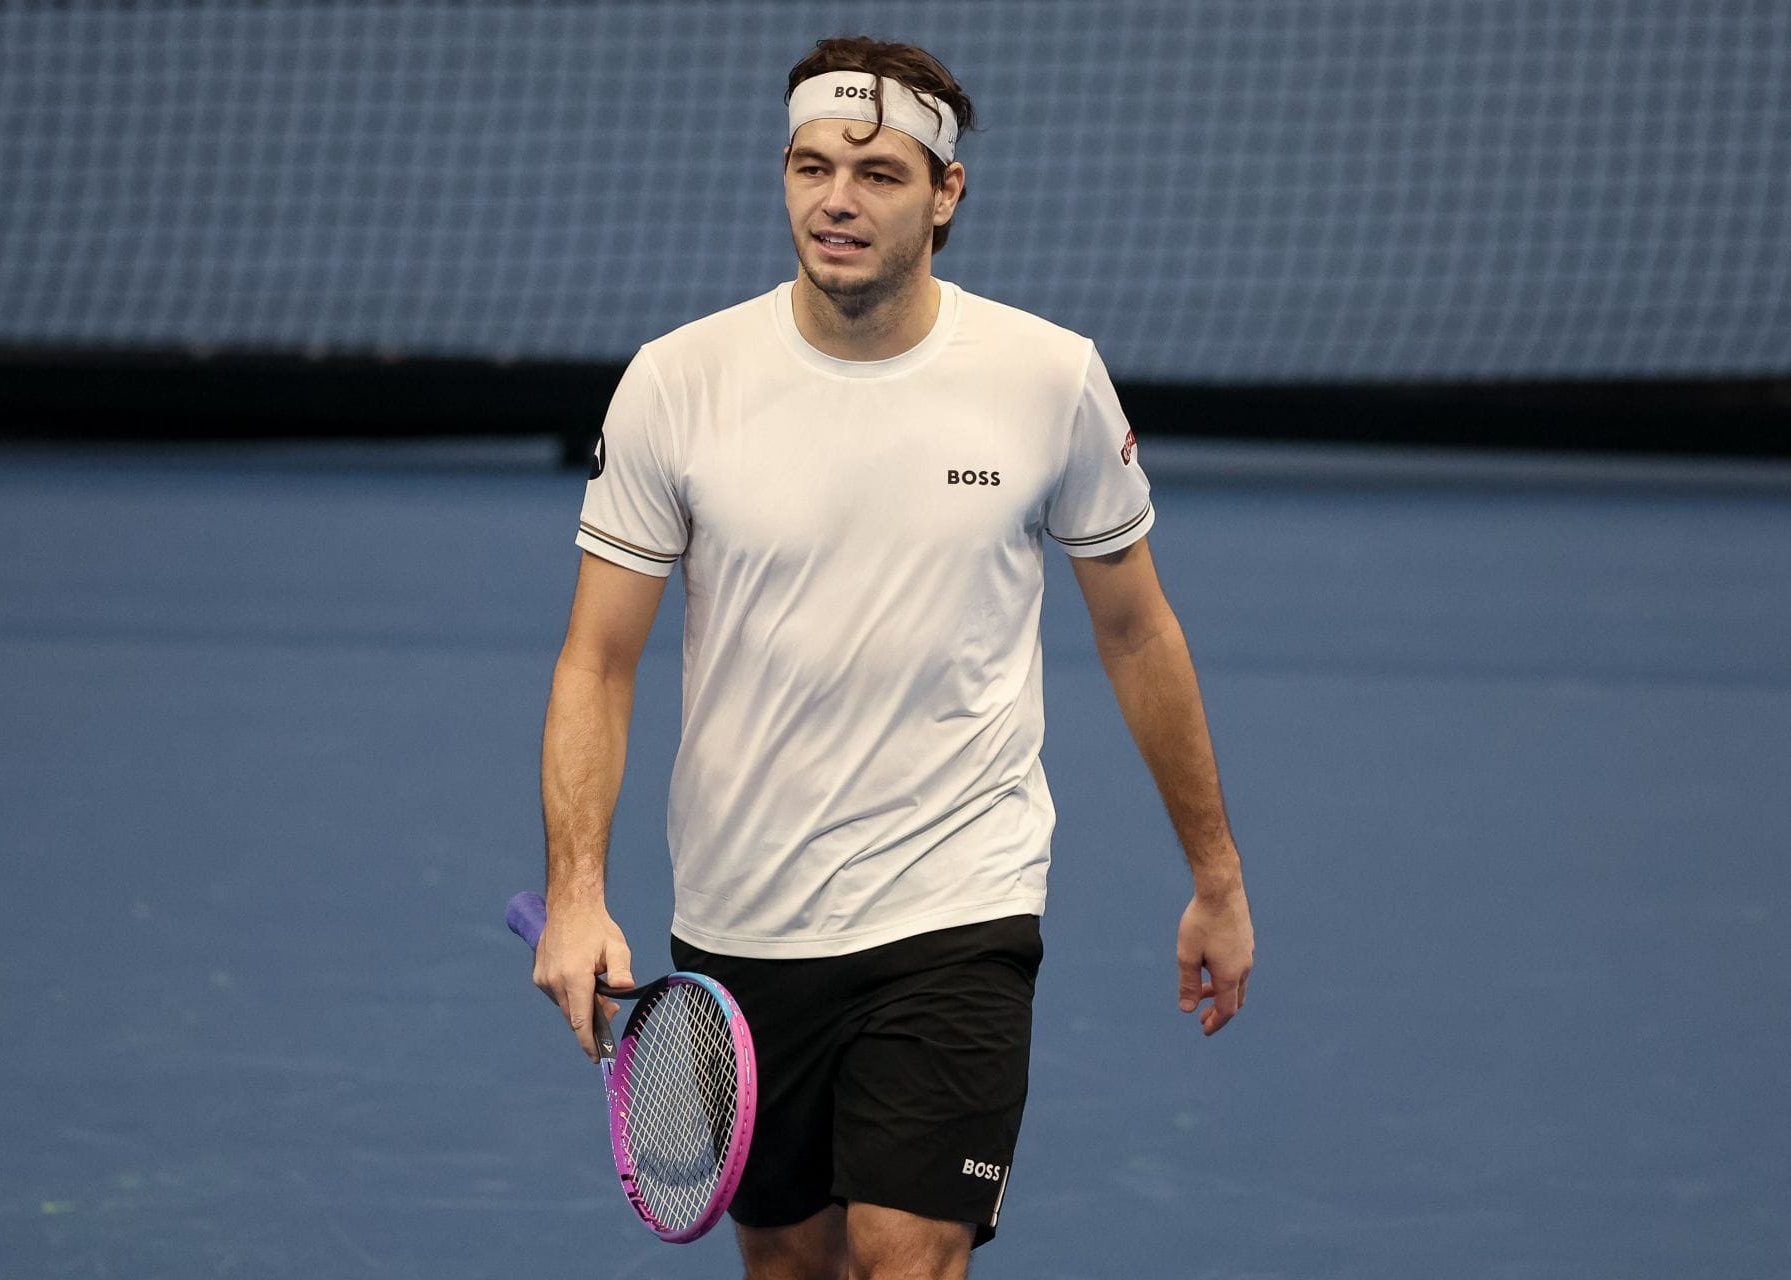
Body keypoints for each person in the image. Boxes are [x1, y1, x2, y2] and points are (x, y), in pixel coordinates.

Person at [533, 35, 1255, 1280]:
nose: (837, 200)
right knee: (790, 1262)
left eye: (877, 173)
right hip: (742, 913)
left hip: (956, 902)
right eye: (812, 166)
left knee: (904, 1257)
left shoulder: (1048, 378)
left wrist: (1216, 873)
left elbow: (1138, 629)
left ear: (945, 192)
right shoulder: (676, 383)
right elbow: (597, 659)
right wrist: (578, 890)